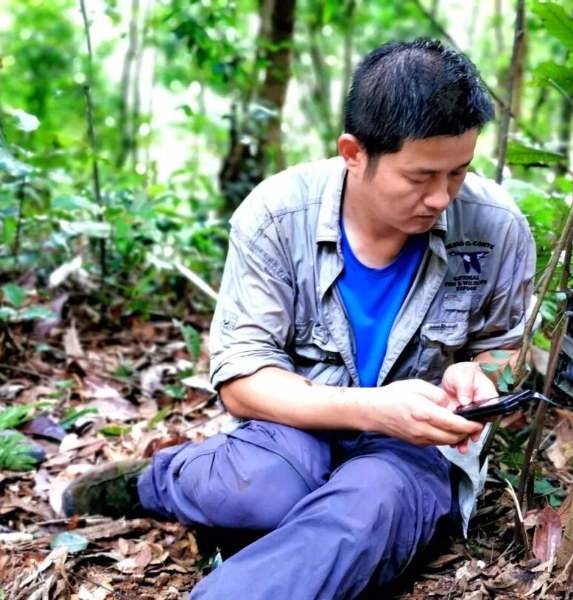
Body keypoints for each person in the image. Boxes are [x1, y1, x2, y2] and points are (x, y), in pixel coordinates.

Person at [63, 39, 537, 599]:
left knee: (368, 511)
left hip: (412, 449)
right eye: (420, 177)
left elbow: (508, 347)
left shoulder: (494, 227)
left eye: (458, 173)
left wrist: (481, 375)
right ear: (354, 153)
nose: (441, 197)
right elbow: (241, 383)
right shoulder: (277, 215)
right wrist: (370, 409)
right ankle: (152, 481)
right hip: (294, 428)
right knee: (257, 490)